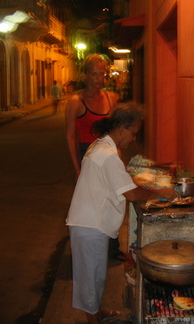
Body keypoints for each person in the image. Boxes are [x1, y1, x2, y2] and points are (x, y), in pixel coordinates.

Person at [66, 102, 175, 324]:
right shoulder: (106, 154)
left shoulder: (102, 146)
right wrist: (159, 192)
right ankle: (93, 320)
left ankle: (96, 313)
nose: (134, 138)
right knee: (90, 279)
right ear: (122, 128)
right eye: (134, 132)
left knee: (95, 277)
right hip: (89, 224)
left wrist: (144, 185)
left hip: (90, 222)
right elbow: (132, 195)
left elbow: (120, 181)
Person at [65, 53, 124, 261]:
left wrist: (119, 157)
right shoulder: (76, 101)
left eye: (102, 74)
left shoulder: (111, 98)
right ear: (85, 75)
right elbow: (71, 136)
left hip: (108, 156)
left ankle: (112, 248)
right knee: (88, 203)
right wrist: (76, 168)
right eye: (95, 74)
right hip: (86, 156)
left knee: (112, 199)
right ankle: (83, 248)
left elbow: (117, 130)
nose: (99, 79)